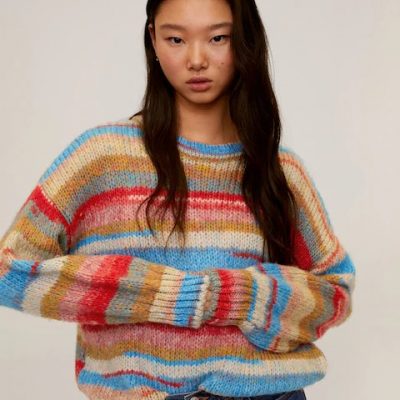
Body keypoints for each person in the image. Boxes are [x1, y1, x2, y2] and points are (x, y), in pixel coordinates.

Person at [0, 0, 356, 399]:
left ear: (244, 39)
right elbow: (8, 270)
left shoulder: (279, 171)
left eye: (218, 38)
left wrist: (238, 296)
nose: (196, 60)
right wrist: (164, 294)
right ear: (153, 39)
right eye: (176, 39)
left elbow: (336, 291)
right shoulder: (103, 158)